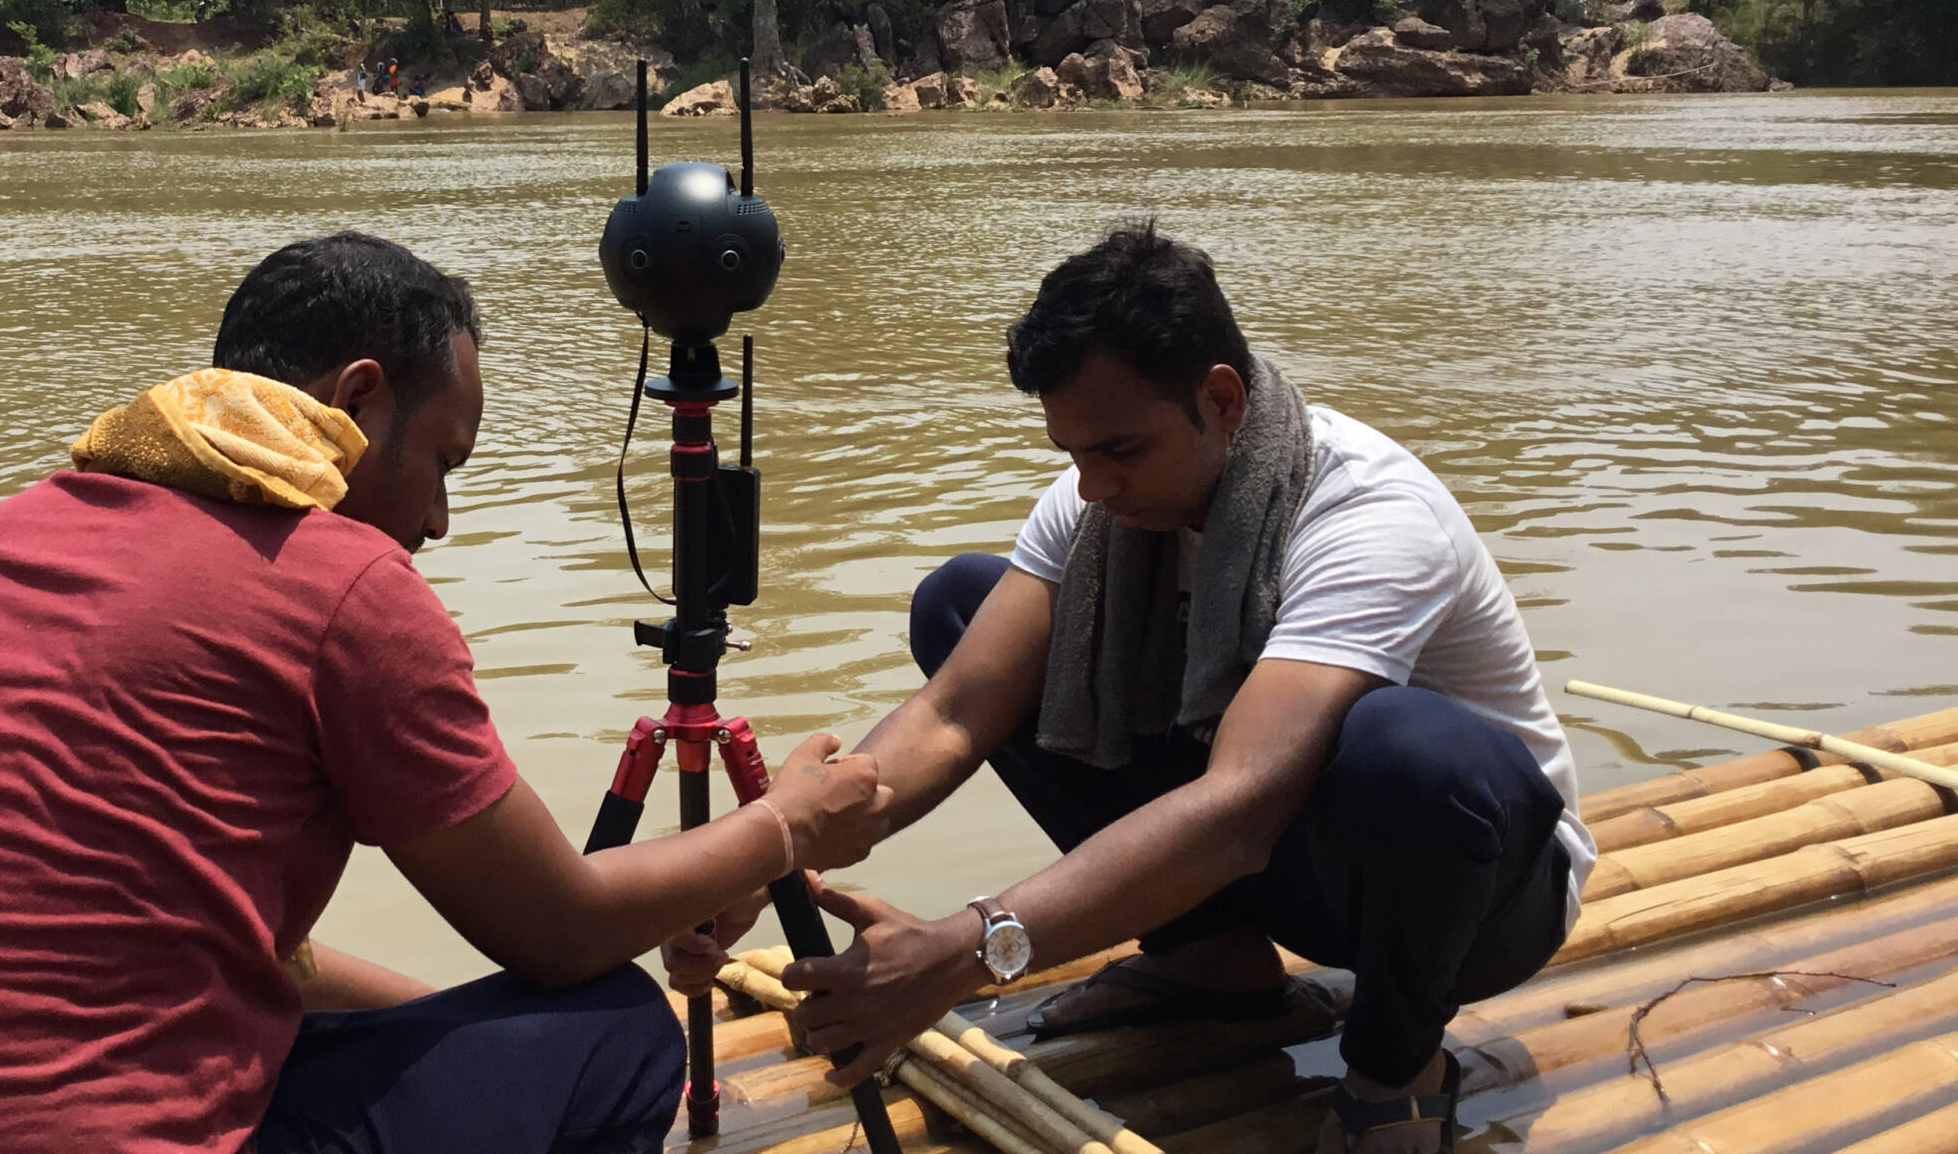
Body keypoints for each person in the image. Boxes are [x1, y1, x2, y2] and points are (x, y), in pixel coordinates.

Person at [0, 231, 894, 1154]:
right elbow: (562, 928)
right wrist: (785, 822)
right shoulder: (343, 587)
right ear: (359, 397)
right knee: (614, 1032)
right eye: (441, 461)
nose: (437, 517)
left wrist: (439, 1027)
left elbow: (232, 942)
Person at [670, 221, 1593, 1154]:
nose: (1094, 487)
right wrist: (757, 859)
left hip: (1468, 896)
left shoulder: (1369, 516)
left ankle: (1400, 1065)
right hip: (1281, 857)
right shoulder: (1095, 500)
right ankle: (1208, 957)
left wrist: (964, 950)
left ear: (1222, 400)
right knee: (960, 603)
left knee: (1413, 753)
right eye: (1074, 454)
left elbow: (1240, 808)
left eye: (1121, 451)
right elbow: (956, 711)